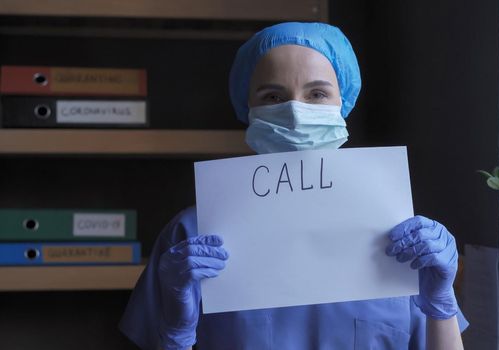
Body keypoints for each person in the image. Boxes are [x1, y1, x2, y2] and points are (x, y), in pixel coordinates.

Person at [119, 22, 468, 350]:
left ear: (342, 103)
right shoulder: (193, 235)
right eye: (273, 97)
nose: (295, 112)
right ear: (247, 106)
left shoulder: (400, 235)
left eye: (317, 93)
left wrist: (441, 305)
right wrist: (176, 334)